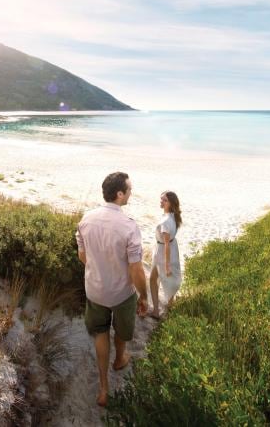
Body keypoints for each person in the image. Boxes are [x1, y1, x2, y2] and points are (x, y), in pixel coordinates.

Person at [75, 172, 148, 407]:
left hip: (95, 290)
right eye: (129, 189)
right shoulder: (129, 227)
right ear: (119, 194)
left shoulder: (85, 219)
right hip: (121, 292)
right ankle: (119, 360)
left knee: (100, 332)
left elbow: (82, 256)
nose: (130, 192)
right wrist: (144, 296)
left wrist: (100, 269)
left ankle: (104, 387)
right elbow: (136, 270)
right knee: (122, 330)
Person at [149, 191, 182, 319]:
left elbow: (166, 245)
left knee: (154, 279)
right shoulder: (173, 216)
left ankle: (157, 311)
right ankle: (169, 307)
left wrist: (167, 266)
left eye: (164, 200)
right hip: (172, 250)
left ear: (170, 203)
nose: (161, 201)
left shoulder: (166, 221)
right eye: (161, 199)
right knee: (164, 280)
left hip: (163, 253)